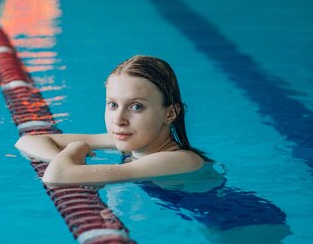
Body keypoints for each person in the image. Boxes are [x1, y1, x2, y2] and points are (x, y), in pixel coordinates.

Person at [15, 55, 207, 185]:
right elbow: (28, 141)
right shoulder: (134, 141)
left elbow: (57, 175)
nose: (119, 120)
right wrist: (65, 160)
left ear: (170, 114)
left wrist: (77, 148)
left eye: (136, 107)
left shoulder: (178, 160)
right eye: (113, 105)